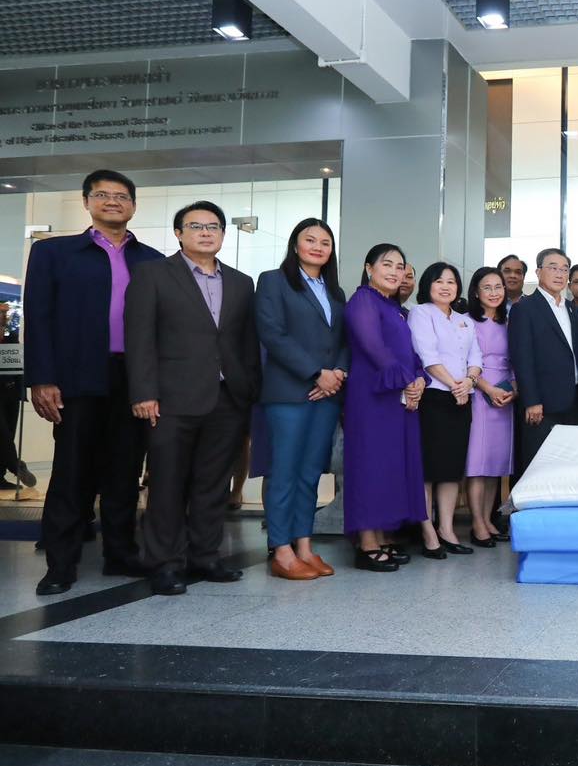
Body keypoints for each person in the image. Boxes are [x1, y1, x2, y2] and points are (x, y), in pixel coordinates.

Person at [26, 170, 163, 595]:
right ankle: (61, 563)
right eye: (102, 194)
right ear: (87, 202)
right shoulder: (55, 253)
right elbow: (38, 317)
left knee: (125, 468)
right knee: (72, 470)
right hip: (77, 373)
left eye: (122, 196)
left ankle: (120, 554)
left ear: (134, 206)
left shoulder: (153, 260)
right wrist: (42, 378)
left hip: (133, 376)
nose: (112, 201)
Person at [125, 200, 260, 596]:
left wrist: (248, 390)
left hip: (227, 398)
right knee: (167, 483)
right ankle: (165, 563)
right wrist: (144, 392)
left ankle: (205, 555)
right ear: (179, 233)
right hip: (170, 399)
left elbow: (246, 342)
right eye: (196, 226)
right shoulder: (153, 275)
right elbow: (139, 338)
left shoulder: (241, 282)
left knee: (213, 484)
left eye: (213, 226)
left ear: (223, 234)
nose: (206, 232)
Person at [254, 218, 348, 581]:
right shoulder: (273, 281)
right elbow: (272, 334)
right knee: (285, 471)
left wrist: (337, 373)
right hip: (289, 393)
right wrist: (315, 372)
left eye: (325, 242)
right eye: (310, 240)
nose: (318, 247)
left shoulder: (334, 291)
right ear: (295, 245)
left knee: (310, 473)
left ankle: (304, 546)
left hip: (327, 394)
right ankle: (281, 549)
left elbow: (344, 340)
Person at [344, 244, 428, 571]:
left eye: (400, 266)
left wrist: (418, 378)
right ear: (369, 268)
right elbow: (375, 348)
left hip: (396, 397)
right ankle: (366, 543)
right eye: (387, 264)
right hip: (372, 397)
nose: (395, 271)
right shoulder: (363, 300)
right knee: (370, 465)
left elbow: (410, 352)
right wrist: (407, 381)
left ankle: (380, 536)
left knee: (389, 466)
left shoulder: (392, 306)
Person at [410, 262, 483, 558]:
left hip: (462, 398)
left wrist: (469, 382)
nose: (445, 286)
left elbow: (476, 357)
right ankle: (427, 531)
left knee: (451, 469)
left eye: (451, 282)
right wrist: (455, 385)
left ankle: (447, 529)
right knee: (429, 469)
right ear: (428, 285)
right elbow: (427, 356)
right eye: (439, 281)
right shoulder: (420, 313)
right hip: (433, 398)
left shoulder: (465, 320)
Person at [510, 247, 578, 476]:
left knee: (567, 466)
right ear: (538, 272)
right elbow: (522, 357)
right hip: (542, 404)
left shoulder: (571, 308)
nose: (559, 274)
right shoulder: (524, 308)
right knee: (538, 467)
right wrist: (532, 400)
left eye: (564, 269)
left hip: (572, 399)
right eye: (553, 268)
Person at [464, 267, 515, 546]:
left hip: (506, 395)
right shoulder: (466, 321)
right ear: (476, 291)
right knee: (478, 462)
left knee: (496, 462)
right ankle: (476, 523)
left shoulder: (510, 321)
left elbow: (517, 358)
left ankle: (487, 519)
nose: (494, 292)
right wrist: (487, 388)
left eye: (498, 287)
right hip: (479, 392)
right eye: (487, 287)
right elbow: (464, 361)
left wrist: (514, 389)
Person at [0, 301, 35, 491]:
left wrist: (22, 392)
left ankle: (1, 476)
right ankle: (16, 465)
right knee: (3, 434)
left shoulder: (11, 337)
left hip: (11, 392)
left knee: (9, 432)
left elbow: (18, 364)